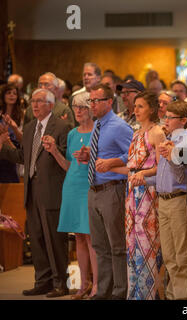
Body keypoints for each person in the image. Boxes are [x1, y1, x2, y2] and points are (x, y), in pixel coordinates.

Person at [0, 88, 71, 297]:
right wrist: (4, 146)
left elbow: (67, 158)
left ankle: (60, 282)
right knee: (37, 238)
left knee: (55, 239)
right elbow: (24, 156)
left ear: (50, 104)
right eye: (33, 102)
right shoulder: (30, 127)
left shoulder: (62, 126)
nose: (35, 105)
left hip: (52, 190)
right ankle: (43, 280)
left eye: (39, 101)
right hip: (31, 190)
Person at [73, 84, 133, 300]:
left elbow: (134, 155)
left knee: (116, 245)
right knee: (99, 244)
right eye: (91, 101)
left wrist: (112, 162)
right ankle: (104, 290)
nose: (92, 105)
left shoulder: (119, 126)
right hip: (94, 189)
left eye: (96, 101)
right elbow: (101, 153)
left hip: (112, 189)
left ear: (109, 102)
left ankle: (119, 291)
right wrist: (88, 155)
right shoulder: (97, 125)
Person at [41, 92, 98, 299]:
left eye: (82, 107)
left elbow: (101, 164)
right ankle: (83, 284)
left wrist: (89, 157)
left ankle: (97, 287)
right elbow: (68, 165)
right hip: (71, 186)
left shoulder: (97, 132)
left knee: (92, 238)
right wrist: (54, 151)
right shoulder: (73, 134)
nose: (78, 111)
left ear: (91, 108)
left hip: (89, 187)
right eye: (75, 107)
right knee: (79, 238)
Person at [111, 91, 166, 299]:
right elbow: (131, 168)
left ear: (152, 109)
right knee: (132, 245)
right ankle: (134, 294)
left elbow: (162, 167)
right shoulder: (135, 134)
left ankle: (149, 294)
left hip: (149, 193)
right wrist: (109, 170)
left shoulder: (157, 132)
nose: (136, 110)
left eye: (141, 106)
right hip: (132, 192)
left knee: (147, 244)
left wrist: (144, 173)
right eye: (135, 106)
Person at [156, 100, 187, 300]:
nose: (166, 120)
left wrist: (171, 157)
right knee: (169, 256)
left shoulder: (186, 142)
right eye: (166, 116)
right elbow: (161, 175)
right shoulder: (168, 140)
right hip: (163, 200)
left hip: (178, 200)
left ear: (183, 120)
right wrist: (141, 176)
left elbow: (181, 176)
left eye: (171, 117)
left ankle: (183, 298)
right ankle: (171, 295)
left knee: (181, 255)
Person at [0, 83, 25, 182]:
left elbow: (23, 140)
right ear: (3, 96)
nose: (12, 95)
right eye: (8, 93)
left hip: (14, 154)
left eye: (14, 93)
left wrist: (14, 128)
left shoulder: (22, 115)